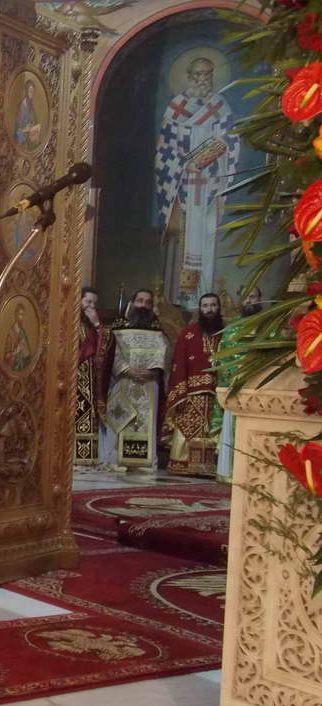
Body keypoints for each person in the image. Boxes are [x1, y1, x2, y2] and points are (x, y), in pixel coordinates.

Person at [156, 57, 239, 309]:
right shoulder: (176, 107)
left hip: (210, 184)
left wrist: (203, 161)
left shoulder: (220, 106)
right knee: (184, 238)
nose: (203, 80)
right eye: (198, 74)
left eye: (207, 74)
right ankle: (183, 297)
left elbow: (229, 141)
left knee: (207, 235)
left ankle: (206, 295)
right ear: (190, 76)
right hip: (183, 186)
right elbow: (165, 148)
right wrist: (184, 165)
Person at [96, 289, 171, 469]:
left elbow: (166, 354)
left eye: (147, 302)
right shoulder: (118, 329)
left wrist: (155, 370)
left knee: (145, 421)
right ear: (132, 302)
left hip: (149, 384)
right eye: (140, 300)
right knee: (121, 419)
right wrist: (128, 370)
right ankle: (116, 459)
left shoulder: (159, 331)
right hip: (124, 381)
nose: (143, 305)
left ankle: (144, 462)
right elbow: (112, 354)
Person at [162, 293, 223, 476]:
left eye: (213, 305)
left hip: (218, 394)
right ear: (200, 309)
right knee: (187, 428)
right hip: (190, 393)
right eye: (205, 305)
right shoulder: (188, 334)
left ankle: (211, 467)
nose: (209, 309)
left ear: (219, 307)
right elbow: (178, 363)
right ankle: (183, 465)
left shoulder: (227, 333)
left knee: (214, 429)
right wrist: (180, 392)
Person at [214, 288, 262, 481]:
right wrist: (234, 378)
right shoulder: (231, 328)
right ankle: (230, 474)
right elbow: (223, 359)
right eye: (245, 297)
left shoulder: (268, 326)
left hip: (259, 388)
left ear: (260, 299)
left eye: (253, 297)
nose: (249, 301)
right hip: (235, 387)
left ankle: (254, 474)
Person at [75, 288, 110, 465]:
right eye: (88, 302)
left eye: (95, 304)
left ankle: (84, 456)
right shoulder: (67, 321)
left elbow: (106, 346)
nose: (92, 307)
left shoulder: (93, 326)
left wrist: (96, 324)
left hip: (89, 381)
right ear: (79, 301)